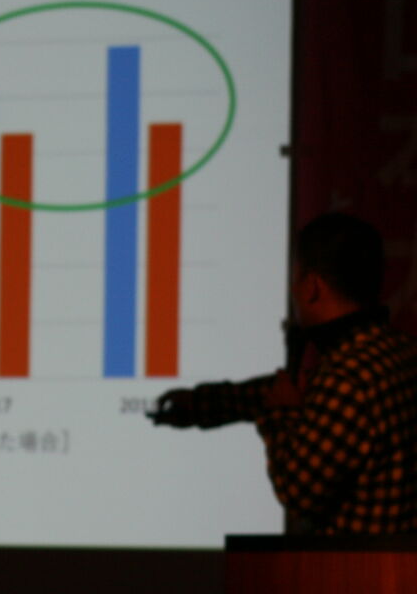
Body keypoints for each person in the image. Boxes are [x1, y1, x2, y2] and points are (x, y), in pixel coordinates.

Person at [150, 212, 417, 534]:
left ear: (312, 287)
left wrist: (282, 414)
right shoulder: (397, 352)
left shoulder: (346, 378)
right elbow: (304, 395)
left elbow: (298, 491)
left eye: (295, 278)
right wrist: (200, 403)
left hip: (356, 564)